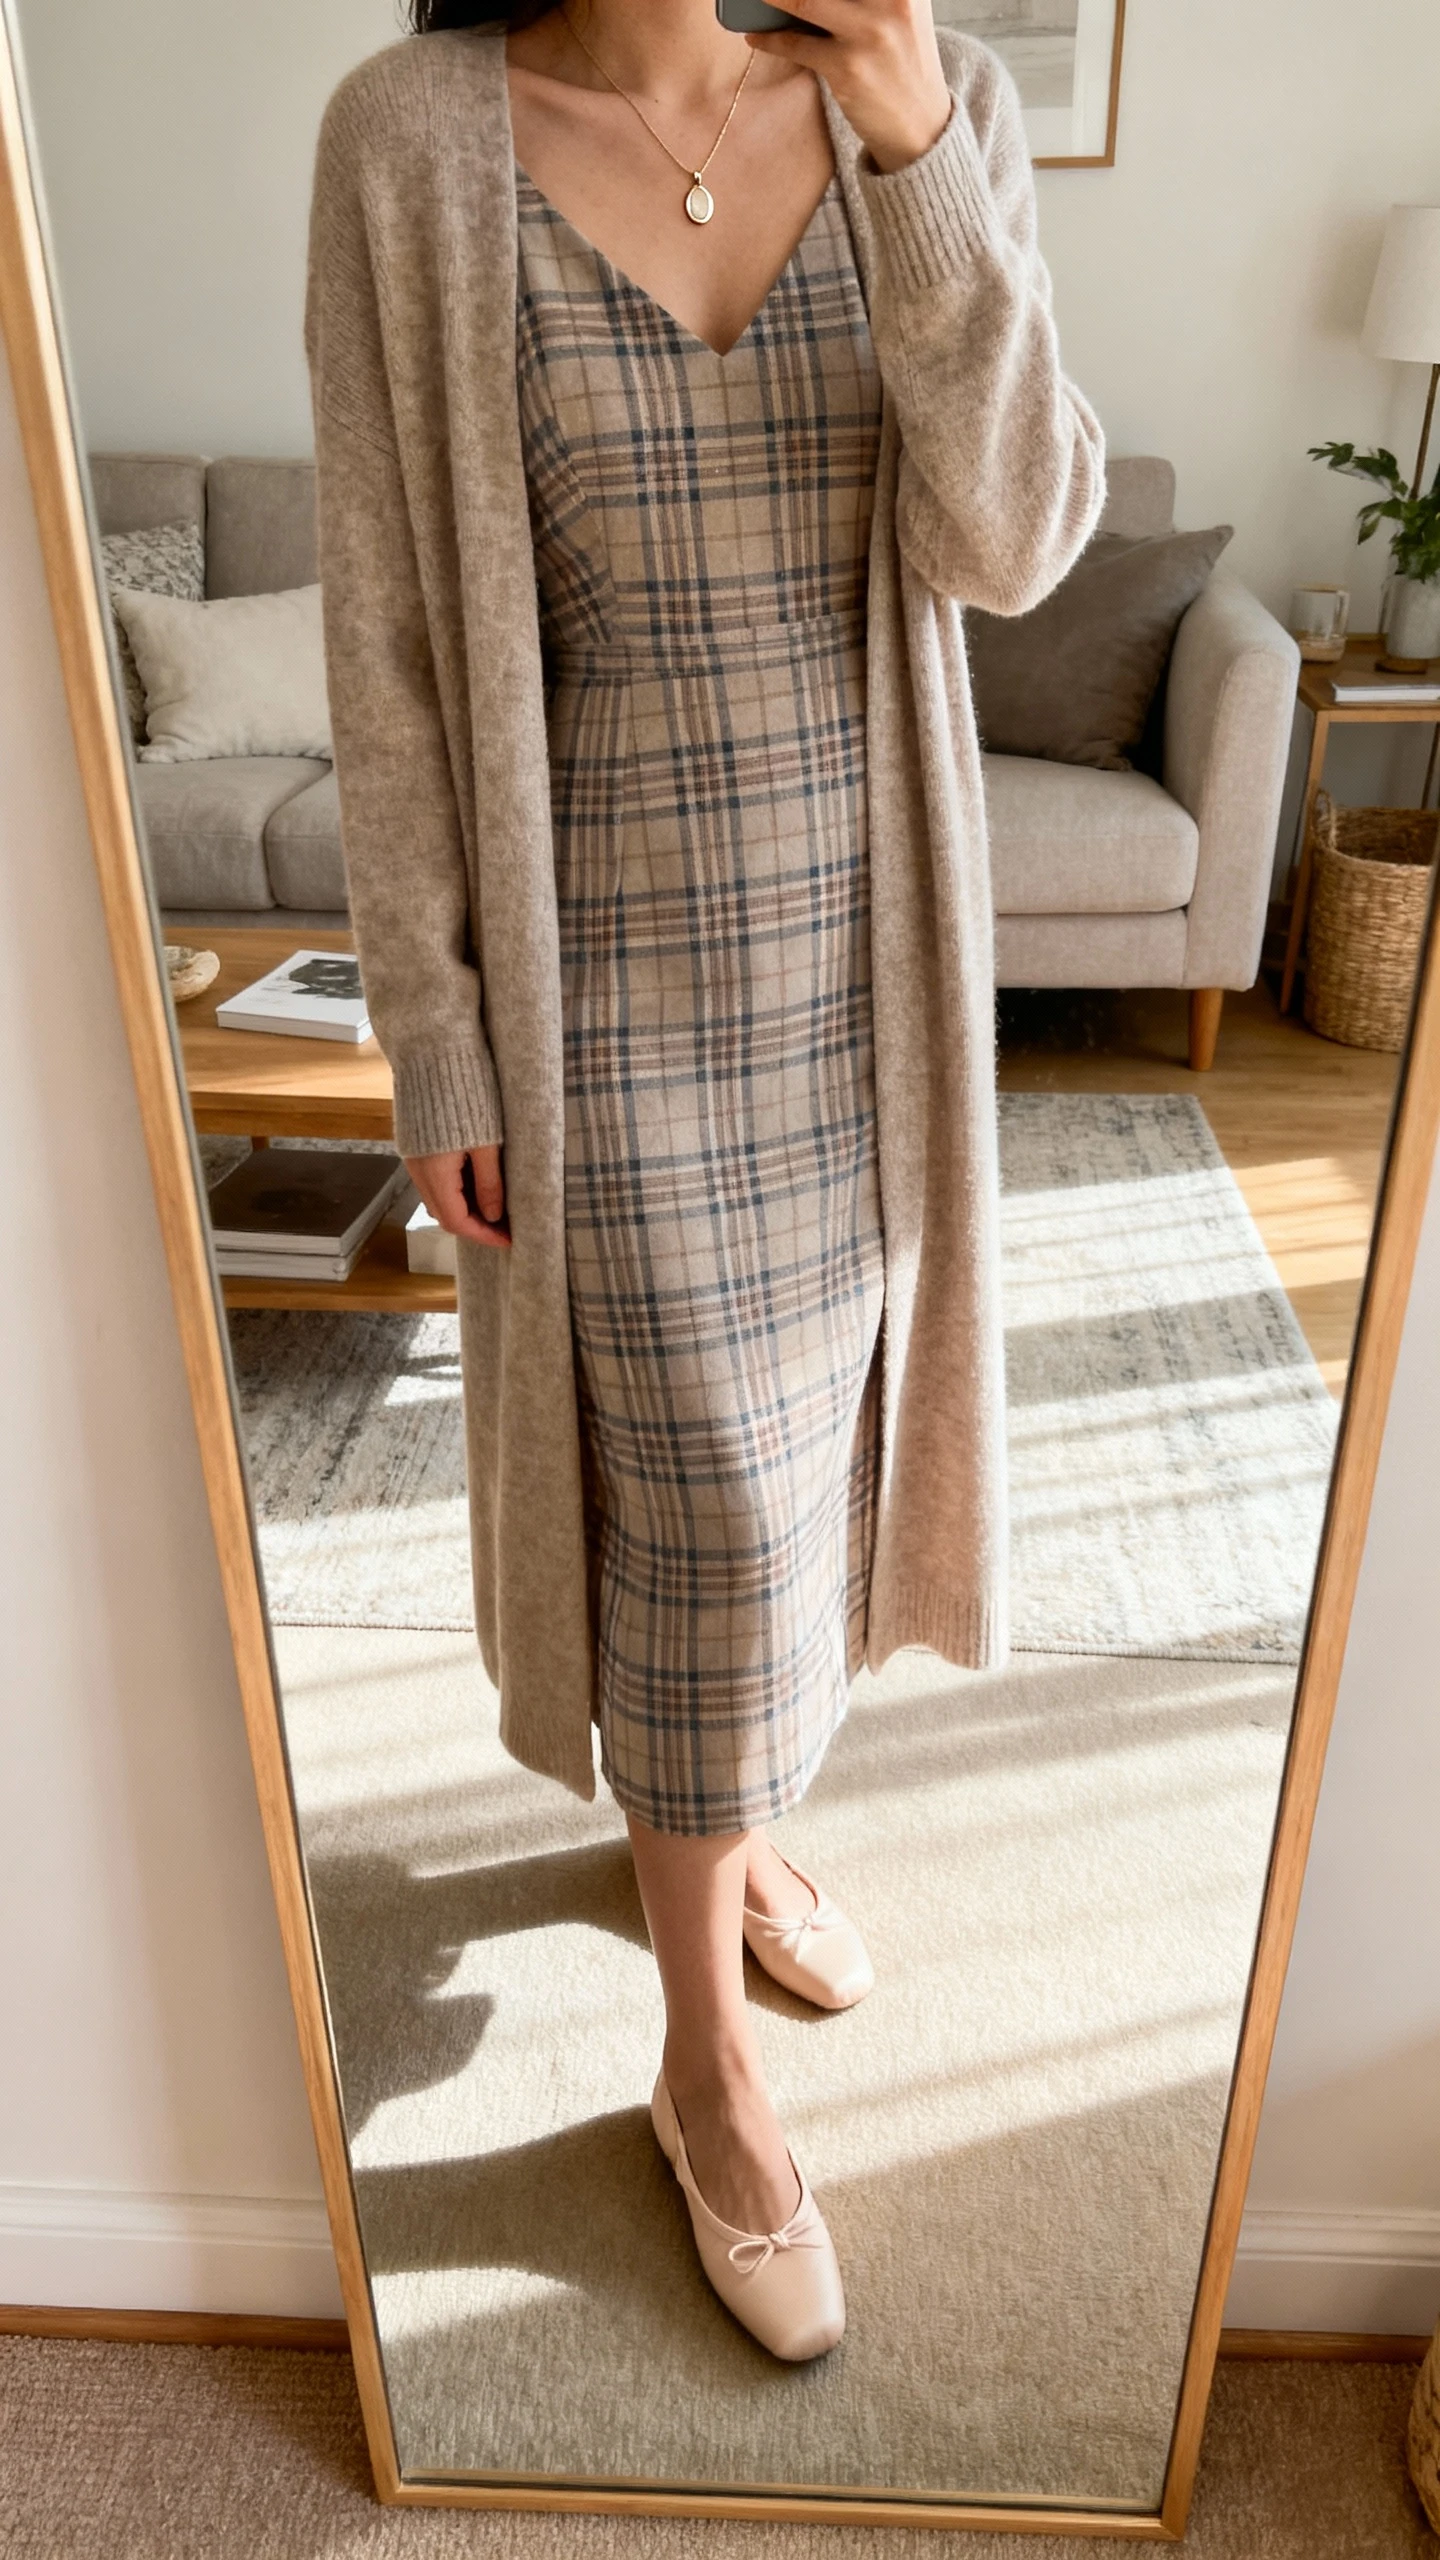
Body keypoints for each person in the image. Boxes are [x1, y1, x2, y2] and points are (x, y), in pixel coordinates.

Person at [306, 0, 1103, 2362]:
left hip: (866, 973)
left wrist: (915, 151)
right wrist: (436, 1021)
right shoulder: (411, 143)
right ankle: (704, 2068)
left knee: (805, 1482)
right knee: (700, 1511)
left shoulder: (930, 112)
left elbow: (1016, 535)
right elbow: (387, 638)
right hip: (601, 998)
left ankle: (722, 1828)